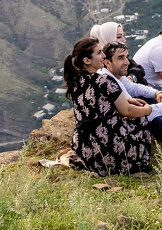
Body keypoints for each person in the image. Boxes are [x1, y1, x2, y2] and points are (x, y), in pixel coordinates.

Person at [64, 38, 156, 176]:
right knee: (140, 119)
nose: (104, 56)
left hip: (86, 149)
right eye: (99, 52)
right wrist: (149, 109)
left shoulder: (76, 81)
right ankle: (134, 165)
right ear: (87, 60)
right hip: (108, 149)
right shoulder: (103, 81)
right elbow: (127, 111)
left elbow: (101, 105)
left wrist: (129, 102)